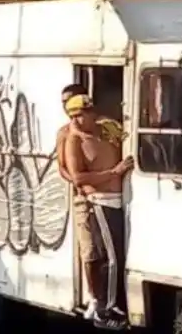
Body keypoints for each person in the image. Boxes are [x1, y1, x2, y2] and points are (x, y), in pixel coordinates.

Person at [62, 94, 133, 329]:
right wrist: (114, 173)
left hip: (120, 199)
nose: (77, 121)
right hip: (99, 201)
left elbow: (129, 141)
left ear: (92, 113)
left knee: (119, 255)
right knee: (111, 257)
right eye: (73, 116)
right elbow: (78, 177)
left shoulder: (107, 129)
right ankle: (106, 309)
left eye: (81, 115)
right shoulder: (73, 140)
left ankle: (115, 303)